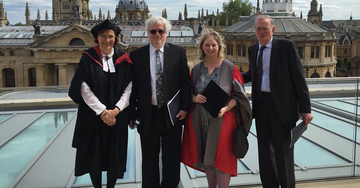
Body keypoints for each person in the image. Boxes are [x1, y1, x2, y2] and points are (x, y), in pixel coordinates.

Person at [242, 15, 313, 188]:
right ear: (255, 31)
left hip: (282, 107)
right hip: (261, 105)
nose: (261, 32)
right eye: (258, 29)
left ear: (272, 29)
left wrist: (305, 109)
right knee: (265, 153)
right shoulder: (253, 50)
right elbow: (252, 74)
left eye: (265, 28)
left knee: (283, 154)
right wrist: (230, 76)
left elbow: (299, 78)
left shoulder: (286, 47)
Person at [181, 28, 252, 188]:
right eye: (207, 45)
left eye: (214, 45)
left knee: (222, 160)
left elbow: (239, 96)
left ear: (219, 46)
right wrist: (194, 98)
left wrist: (226, 108)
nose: (210, 48)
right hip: (201, 122)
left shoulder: (229, 68)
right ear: (202, 47)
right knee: (208, 159)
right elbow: (190, 92)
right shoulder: (197, 69)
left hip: (223, 120)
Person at [68, 19, 133, 188]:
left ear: (116, 38)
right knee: (94, 157)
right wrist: (104, 112)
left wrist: (115, 111)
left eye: (110, 36)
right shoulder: (88, 58)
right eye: (103, 36)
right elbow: (83, 89)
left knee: (114, 155)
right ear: (97, 38)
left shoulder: (123, 59)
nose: (107, 40)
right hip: (93, 118)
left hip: (116, 118)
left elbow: (129, 88)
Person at [129, 16, 191, 188]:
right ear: (147, 33)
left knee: (171, 159)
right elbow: (132, 88)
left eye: (161, 31)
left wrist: (185, 108)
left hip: (172, 114)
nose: (157, 34)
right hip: (147, 114)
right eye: (153, 31)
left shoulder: (178, 52)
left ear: (166, 33)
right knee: (149, 159)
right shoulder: (136, 55)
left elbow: (185, 82)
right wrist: (133, 115)